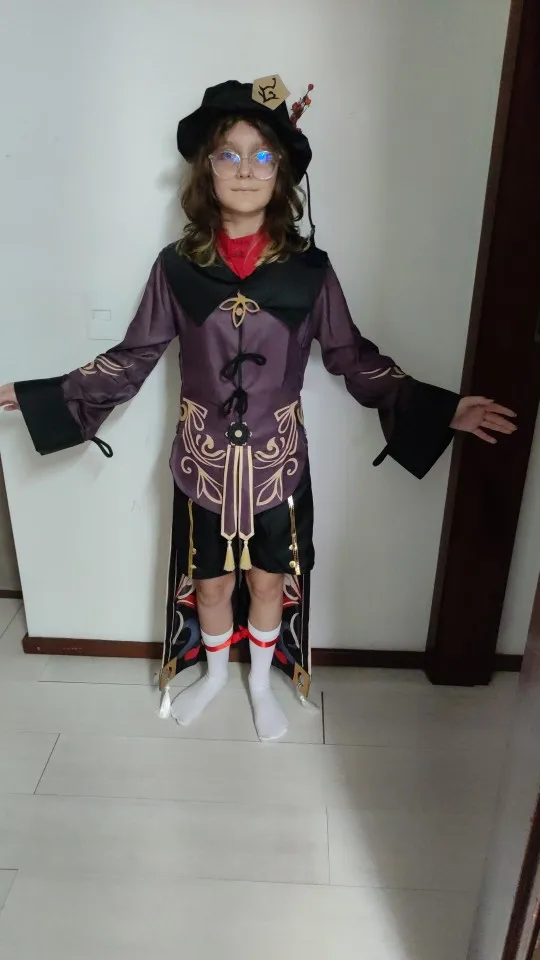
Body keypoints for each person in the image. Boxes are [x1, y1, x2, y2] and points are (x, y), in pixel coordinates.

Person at [0, 75, 517, 741]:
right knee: (211, 586)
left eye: (262, 155)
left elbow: (352, 356)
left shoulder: (310, 271)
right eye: (229, 154)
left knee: (272, 583)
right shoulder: (175, 268)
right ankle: (216, 675)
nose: (245, 169)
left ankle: (261, 682)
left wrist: (440, 408)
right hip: (201, 463)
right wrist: (41, 396)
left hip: (280, 463)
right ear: (206, 169)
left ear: (282, 173)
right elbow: (132, 357)